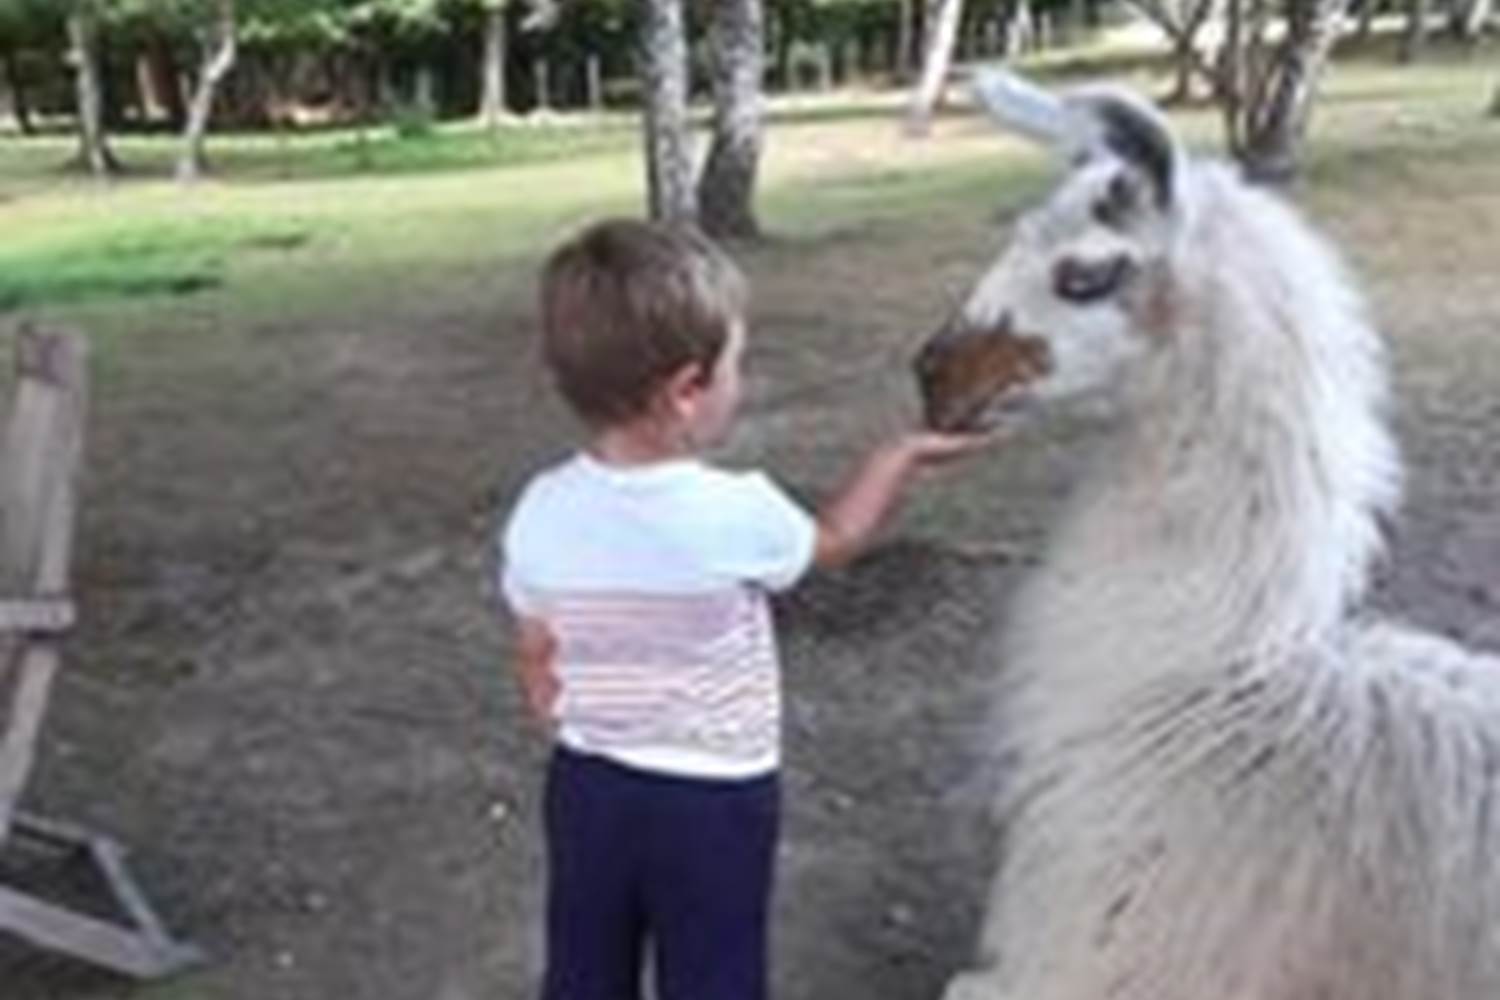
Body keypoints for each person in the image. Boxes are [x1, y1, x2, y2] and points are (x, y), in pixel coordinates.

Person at [499, 218, 992, 1000]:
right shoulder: (736, 512)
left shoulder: (541, 509)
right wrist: (895, 459)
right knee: (715, 974)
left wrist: (569, 725)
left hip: (587, 787)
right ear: (687, 391)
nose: (742, 380)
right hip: (714, 800)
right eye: (737, 362)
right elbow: (835, 541)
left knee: (585, 971)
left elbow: (536, 651)